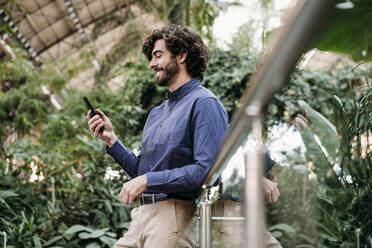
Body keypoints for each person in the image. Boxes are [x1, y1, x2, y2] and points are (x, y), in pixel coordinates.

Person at [87, 25, 228, 248]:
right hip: (141, 217)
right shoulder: (156, 113)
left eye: (158, 55)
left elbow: (207, 173)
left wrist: (147, 180)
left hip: (173, 218)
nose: (152, 64)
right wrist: (111, 140)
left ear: (181, 55)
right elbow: (143, 172)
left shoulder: (205, 103)